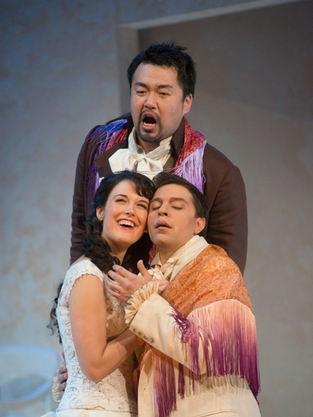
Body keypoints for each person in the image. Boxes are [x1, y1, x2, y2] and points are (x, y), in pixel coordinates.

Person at [106, 172, 265, 417]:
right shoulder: (146, 275)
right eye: (155, 206)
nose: (162, 211)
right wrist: (89, 372)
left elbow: (206, 352)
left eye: (176, 206)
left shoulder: (217, 267)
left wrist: (143, 298)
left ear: (199, 224)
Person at [0, 171, 155, 417]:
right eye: (120, 200)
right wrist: (143, 319)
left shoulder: (119, 279)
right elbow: (94, 366)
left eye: (141, 205)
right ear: (100, 211)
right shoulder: (87, 275)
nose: (130, 211)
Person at [71, 42, 248, 274]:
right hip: (98, 293)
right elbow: (81, 230)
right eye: (141, 91)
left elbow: (226, 272)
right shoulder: (97, 143)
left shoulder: (216, 172)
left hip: (168, 305)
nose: (149, 102)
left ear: (187, 102)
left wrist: (151, 299)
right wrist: (81, 285)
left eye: (163, 93)